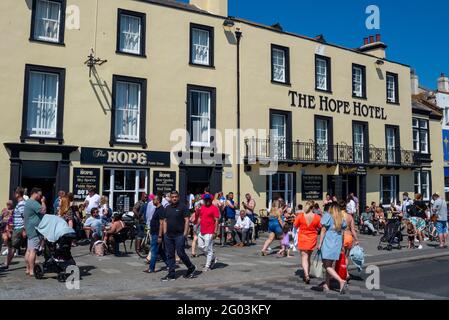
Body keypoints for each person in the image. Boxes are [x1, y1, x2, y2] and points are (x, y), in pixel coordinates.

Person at [160, 191, 196, 282]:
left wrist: (185, 234)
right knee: (170, 255)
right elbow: (165, 220)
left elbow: (187, 220)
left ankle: (191, 267)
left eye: (176, 197)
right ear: (170, 198)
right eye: (172, 197)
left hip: (179, 235)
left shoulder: (183, 207)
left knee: (180, 253)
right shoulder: (167, 208)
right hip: (169, 235)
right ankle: (171, 274)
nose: (174, 198)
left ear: (178, 197)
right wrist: (164, 233)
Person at [318, 204, 348, 294]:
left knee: (326, 266)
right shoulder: (341, 218)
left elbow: (323, 230)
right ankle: (327, 284)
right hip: (337, 242)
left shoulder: (327, 216)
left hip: (328, 242)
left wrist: (319, 243)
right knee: (330, 265)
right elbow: (343, 232)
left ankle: (340, 281)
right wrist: (342, 245)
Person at [294, 201, 321, 284]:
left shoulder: (300, 216)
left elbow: (295, 225)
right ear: (313, 208)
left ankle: (306, 275)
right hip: (312, 238)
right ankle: (307, 273)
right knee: (308, 256)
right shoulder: (317, 217)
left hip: (302, 238)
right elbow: (320, 227)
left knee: (304, 257)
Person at [0, 188, 27, 270]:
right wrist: (10, 212)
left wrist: (24, 230)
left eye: (14, 193)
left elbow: (25, 216)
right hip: (17, 228)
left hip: (19, 229)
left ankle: (7, 264)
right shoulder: (20, 204)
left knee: (12, 247)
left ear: (17, 194)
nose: (13, 195)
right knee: (12, 246)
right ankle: (6, 264)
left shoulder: (21, 203)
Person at [23, 188, 45, 277]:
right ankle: (32, 270)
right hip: (34, 229)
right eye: (39, 195)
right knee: (33, 251)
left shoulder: (27, 202)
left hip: (29, 228)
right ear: (35, 193)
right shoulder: (33, 203)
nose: (40, 197)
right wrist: (43, 202)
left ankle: (28, 269)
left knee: (28, 250)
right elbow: (43, 211)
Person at [144, 194, 168, 273]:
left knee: (153, 250)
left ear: (158, 200)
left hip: (157, 234)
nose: (152, 201)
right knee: (160, 250)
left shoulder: (161, 209)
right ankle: (169, 264)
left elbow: (161, 223)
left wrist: (160, 236)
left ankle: (151, 268)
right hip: (154, 232)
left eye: (154, 199)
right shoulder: (157, 208)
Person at [198, 194, 220, 272]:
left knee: (208, 248)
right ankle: (213, 258)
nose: (207, 201)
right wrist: (196, 227)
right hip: (202, 231)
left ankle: (207, 266)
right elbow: (200, 218)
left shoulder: (214, 208)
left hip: (210, 231)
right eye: (206, 200)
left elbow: (217, 220)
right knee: (200, 246)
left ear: (211, 200)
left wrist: (215, 232)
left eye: (209, 200)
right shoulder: (202, 207)